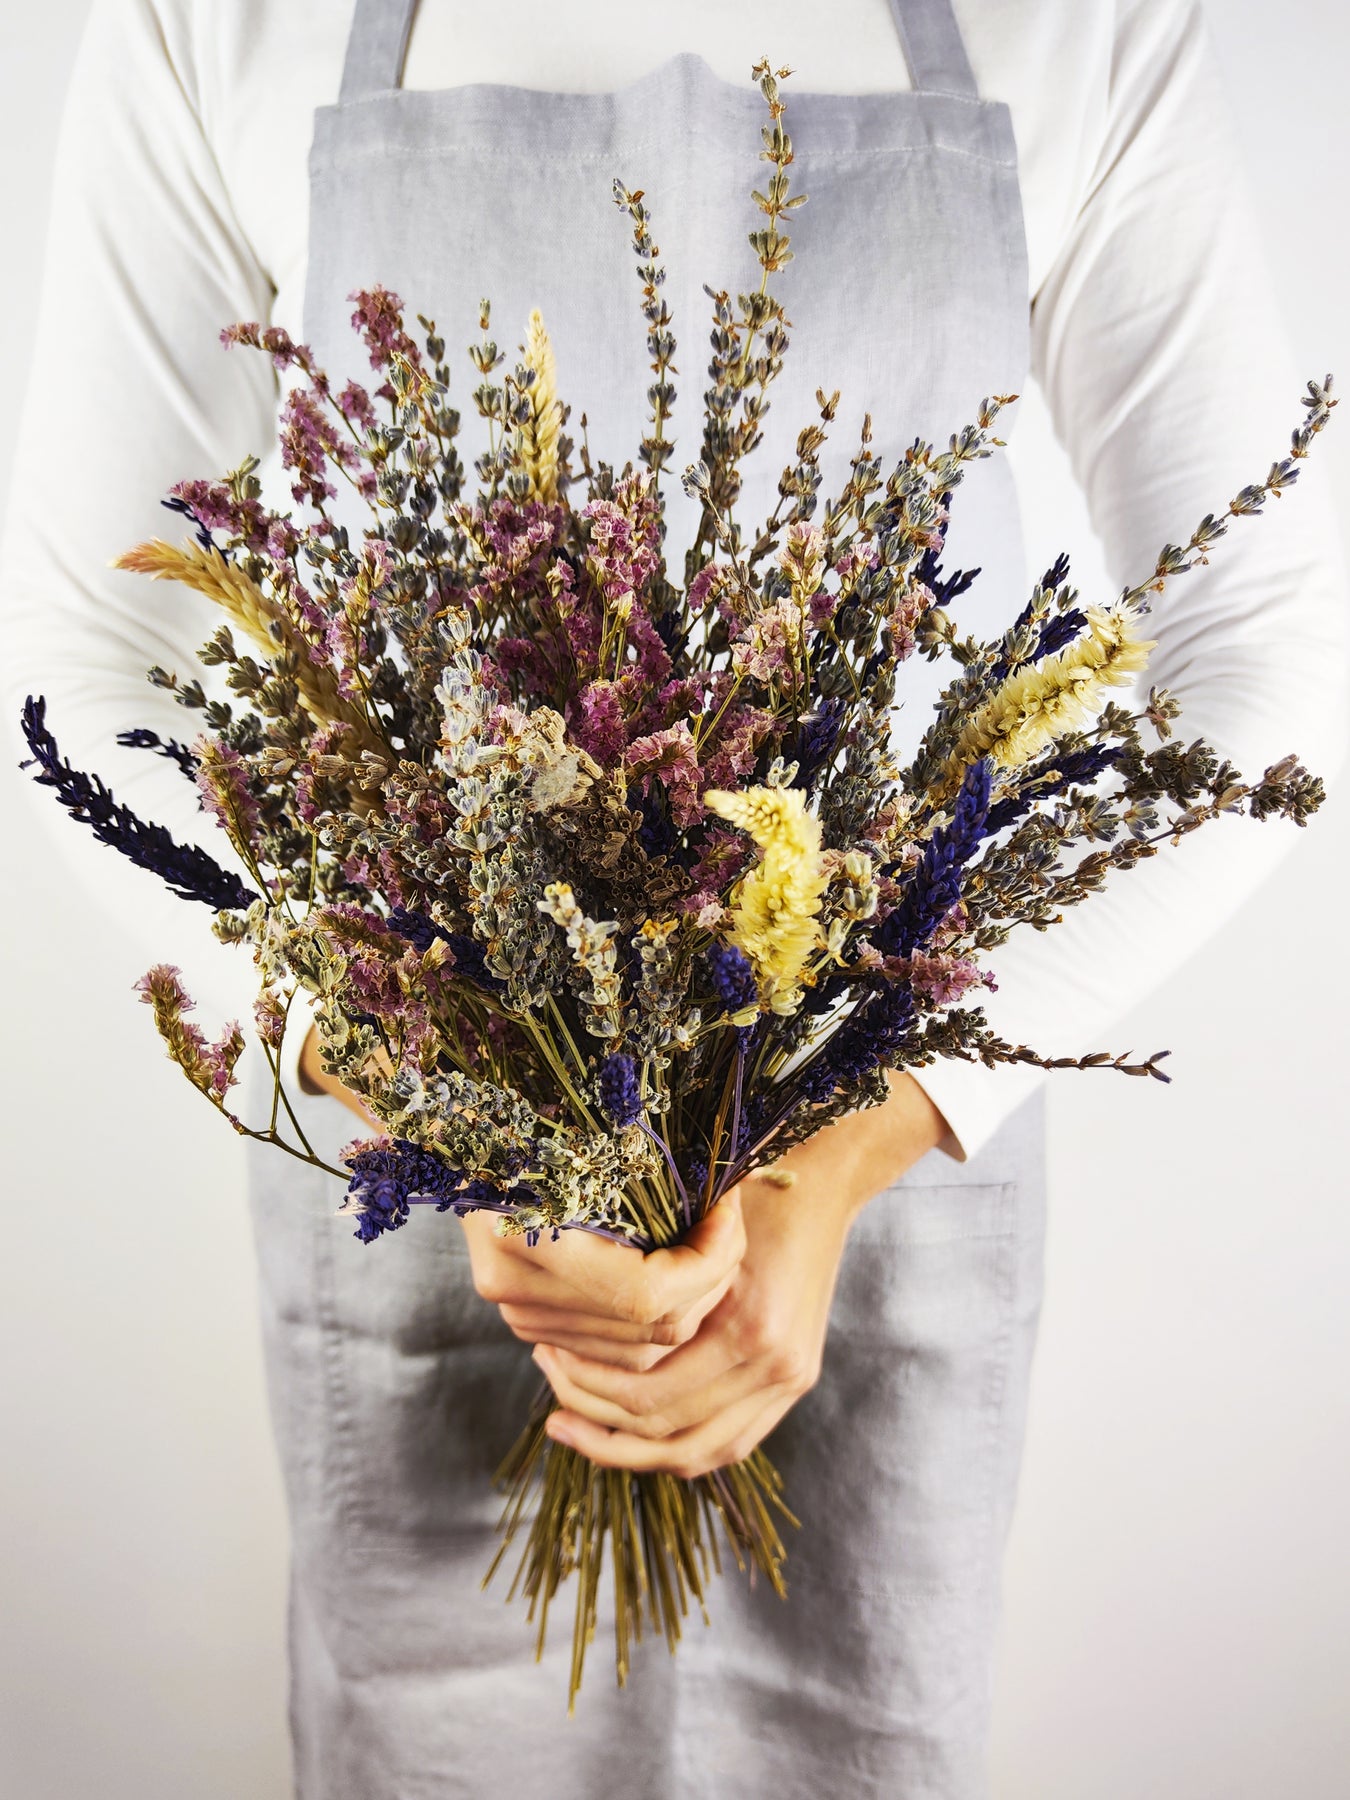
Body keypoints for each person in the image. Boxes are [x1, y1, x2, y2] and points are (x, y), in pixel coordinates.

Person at [2, 1, 1346, 1795]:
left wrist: (832, 1160)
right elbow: (89, 647)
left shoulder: (1084, 20)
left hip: (879, 1176)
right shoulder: (207, 20)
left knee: (846, 1738)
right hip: (436, 1195)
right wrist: (438, 1104)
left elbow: (1270, 651)